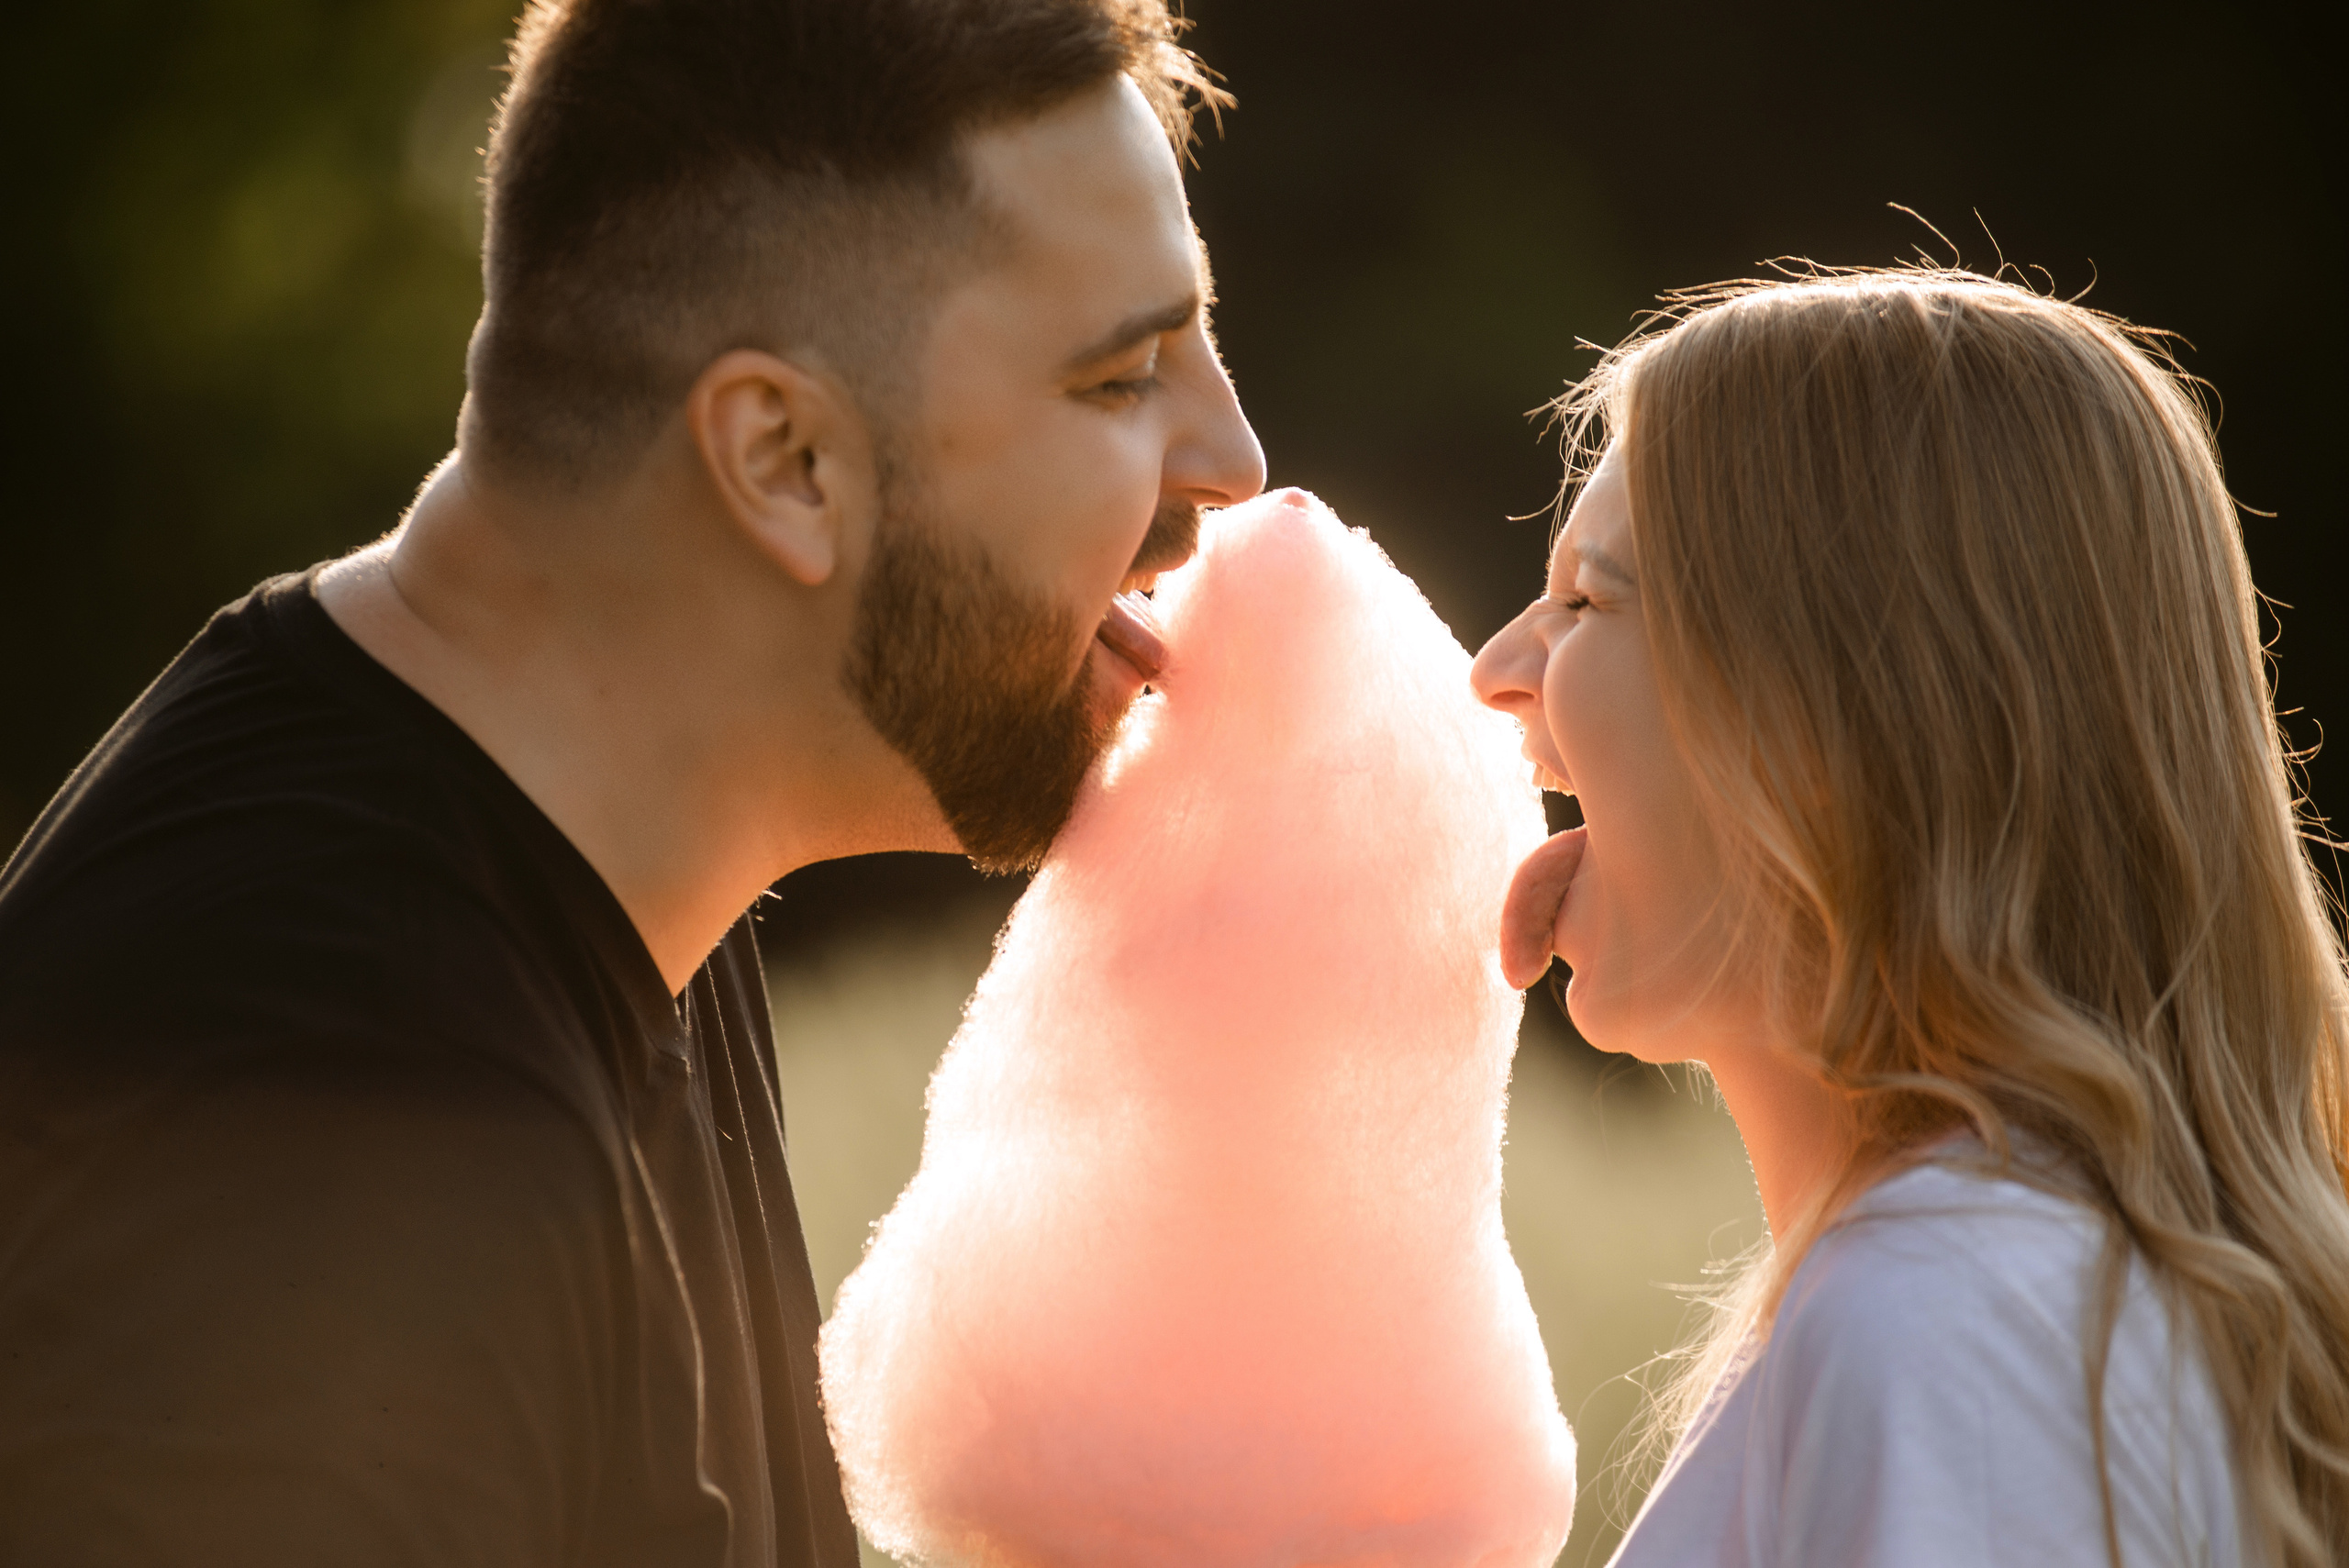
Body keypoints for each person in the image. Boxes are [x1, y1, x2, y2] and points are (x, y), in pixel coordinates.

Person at [0, 0, 1264, 1562]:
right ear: (785, 459)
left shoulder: (632, 863)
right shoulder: (327, 1116)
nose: (1235, 457)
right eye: (1122, 376)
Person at [1473, 270, 2349, 1567]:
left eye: (1588, 600)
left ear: (1839, 719)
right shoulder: (2006, 1295)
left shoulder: (1950, 1318)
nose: (1498, 670)